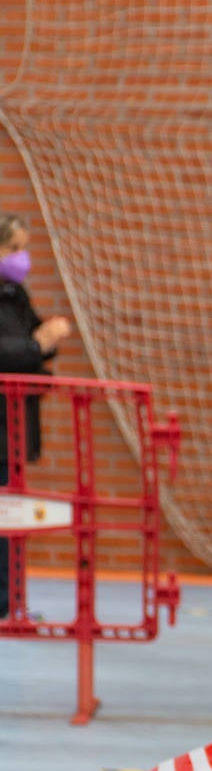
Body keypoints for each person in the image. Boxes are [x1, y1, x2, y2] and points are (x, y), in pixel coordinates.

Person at [0, 214, 73, 619]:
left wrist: (48, 338)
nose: (21, 258)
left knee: (12, 520)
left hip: (14, 427)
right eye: (13, 248)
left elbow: (31, 341)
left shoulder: (15, 293)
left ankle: (12, 602)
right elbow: (14, 349)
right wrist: (35, 345)